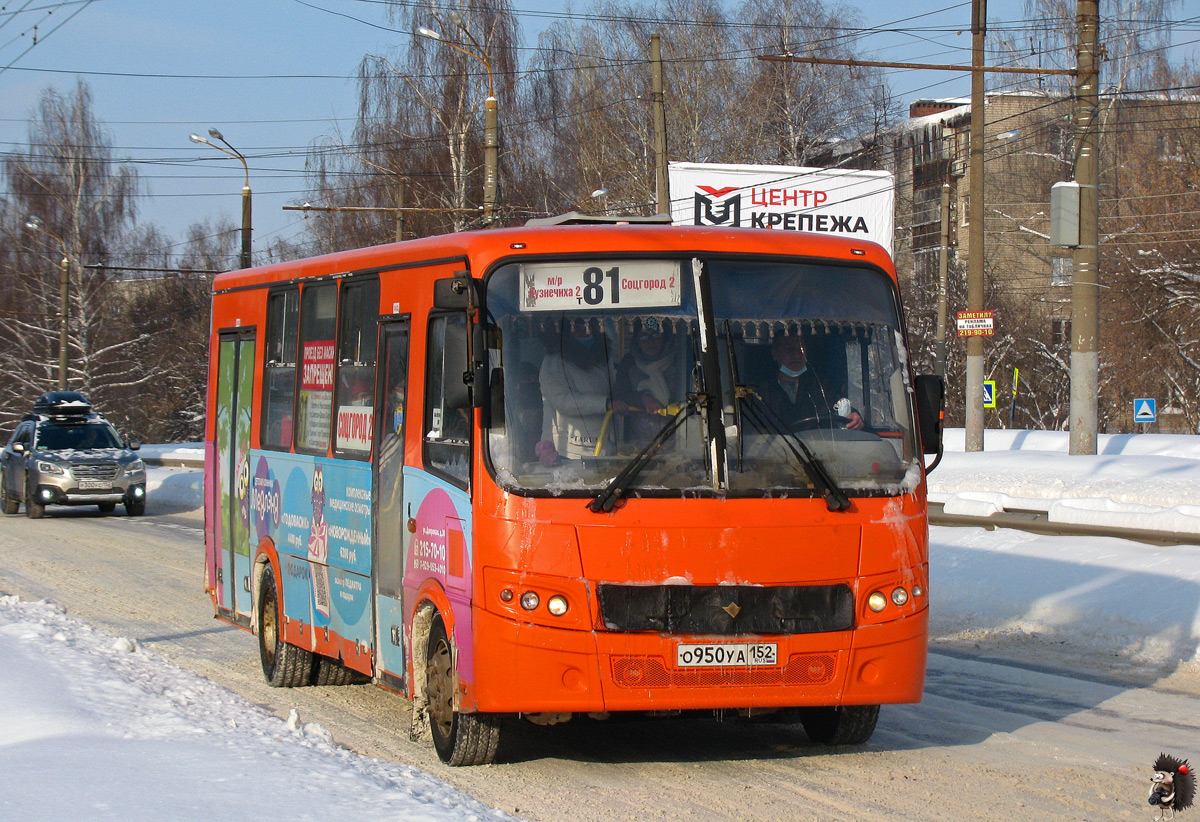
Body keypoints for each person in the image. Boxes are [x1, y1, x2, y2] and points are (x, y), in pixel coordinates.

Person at [536, 318, 615, 465]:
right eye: (576, 326)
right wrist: (606, 404)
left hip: (606, 445)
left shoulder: (603, 357)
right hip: (569, 451)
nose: (584, 331)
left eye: (588, 325)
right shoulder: (553, 361)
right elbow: (563, 401)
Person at [756, 333, 864, 430]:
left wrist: (854, 417)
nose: (797, 355)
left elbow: (837, 408)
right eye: (789, 349)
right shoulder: (761, 392)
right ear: (775, 354)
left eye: (801, 349)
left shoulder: (820, 387)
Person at [613, 317, 681, 445]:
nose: (650, 342)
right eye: (643, 337)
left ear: (665, 338)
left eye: (655, 335)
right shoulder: (629, 363)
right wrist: (644, 399)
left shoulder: (681, 361)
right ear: (637, 341)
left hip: (678, 438)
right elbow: (619, 395)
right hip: (639, 443)